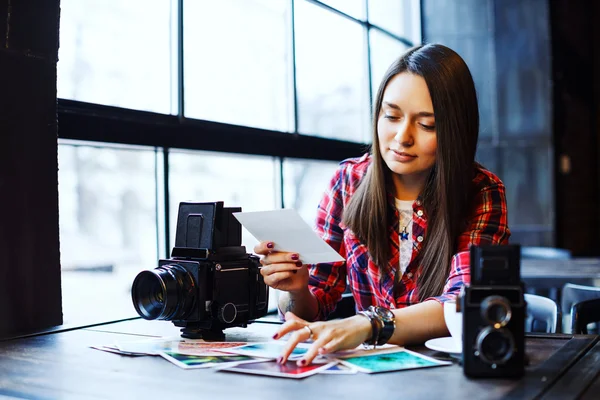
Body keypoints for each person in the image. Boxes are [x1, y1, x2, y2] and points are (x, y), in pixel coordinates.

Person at [254, 43, 510, 366]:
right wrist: (296, 290)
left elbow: (463, 304)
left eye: (426, 124)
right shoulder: (348, 182)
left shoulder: (482, 191)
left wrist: (369, 325)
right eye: (391, 116)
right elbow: (315, 303)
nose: (402, 137)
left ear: (454, 131)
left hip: (449, 375)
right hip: (372, 376)